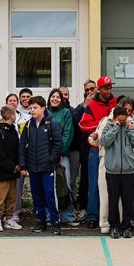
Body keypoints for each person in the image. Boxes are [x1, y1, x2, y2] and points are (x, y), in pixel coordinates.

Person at [20, 96, 63, 234]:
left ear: (43, 108)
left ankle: (55, 222)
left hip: (47, 167)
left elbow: (58, 143)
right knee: (37, 195)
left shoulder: (52, 124)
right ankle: (41, 221)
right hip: (33, 167)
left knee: (50, 194)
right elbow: (22, 147)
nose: (32, 110)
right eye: (31, 108)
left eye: (35, 108)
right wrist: (23, 165)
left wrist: (51, 158)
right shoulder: (27, 125)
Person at [79, 76, 117, 229]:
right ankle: (93, 216)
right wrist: (103, 125)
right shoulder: (92, 105)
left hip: (115, 149)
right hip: (96, 149)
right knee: (94, 183)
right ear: (99, 89)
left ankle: (111, 216)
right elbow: (83, 125)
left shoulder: (117, 103)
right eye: (106, 88)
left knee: (114, 184)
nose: (109, 90)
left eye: (110, 87)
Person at [100, 104, 134, 238]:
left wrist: (129, 129)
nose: (123, 121)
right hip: (112, 170)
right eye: (121, 119)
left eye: (125, 119)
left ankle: (126, 226)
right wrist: (115, 127)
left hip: (128, 170)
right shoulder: (109, 126)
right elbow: (105, 142)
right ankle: (114, 226)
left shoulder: (130, 127)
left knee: (128, 201)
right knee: (113, 200)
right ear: (115, 118)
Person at [0, 105, 22, 231]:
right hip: (2, 171)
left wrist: (17, 165)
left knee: (11, 197)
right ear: (12, 116)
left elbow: (17, 148)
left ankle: (9, 219)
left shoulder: (13, 129)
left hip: (13, 170)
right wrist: (12, 166)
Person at [47, 88, 77, 222]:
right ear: (49, 99)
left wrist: (57, 152)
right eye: (53, 96)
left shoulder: (66, 113)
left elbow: (67, 134)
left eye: (58, 97)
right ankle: (49, 215)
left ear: (62, 99)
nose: (55, 99)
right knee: (48, 186)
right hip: (46, 156)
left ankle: (67, 215)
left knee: (66, 184)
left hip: (61, 156)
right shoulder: (45, 112)